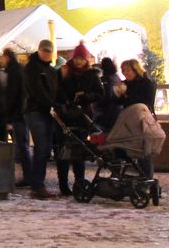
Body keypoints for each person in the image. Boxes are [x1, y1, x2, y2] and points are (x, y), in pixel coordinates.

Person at [56, 42, 103, 196]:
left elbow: (100, 94)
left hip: (83, 116)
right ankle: (63, 185)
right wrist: (65, 102)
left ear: (86, 60)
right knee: (63, 151)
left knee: (79, 151)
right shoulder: (64, 71)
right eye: (77, 58)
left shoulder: (91, 74)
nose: (78, 62)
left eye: (82, 59)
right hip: (65, 115)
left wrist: (86, 96)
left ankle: (79, 184)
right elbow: (57, 90)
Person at [23, 39, 59, 199]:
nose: (46, 53)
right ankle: (37, 185)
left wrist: (57, 105)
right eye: (44, 50)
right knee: (42, 147)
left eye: (48, 51)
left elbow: (55, 90)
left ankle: (38, 183)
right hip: (35, 111)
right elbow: (37, 91)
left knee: (45, 148)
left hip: (47, 112)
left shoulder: (50, 70)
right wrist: (52, 104)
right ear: (39, 51)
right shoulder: (32, 68)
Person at [117, 58, 156, 178]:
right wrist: (119, 94)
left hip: (142, 121)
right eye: (123, 70)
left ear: (136, 70)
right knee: (127, 150)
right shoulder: (125, 84)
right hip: (128, 121)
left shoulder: (147, 83)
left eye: (128, 70)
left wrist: (125, 94)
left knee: (143, 152)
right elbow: (120, 103)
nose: (125, 73)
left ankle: (147, 179)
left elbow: (145, 103)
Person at [1, 48, 31, 187]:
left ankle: (28, 176)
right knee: (23, 145)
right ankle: (28, 175)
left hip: (18, 113)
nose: (1, 60)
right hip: (23, 112)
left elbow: (12, 95)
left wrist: (9, 116)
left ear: (7, 57)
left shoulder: (13, 71)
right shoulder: (20, 69)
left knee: (22, 146)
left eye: (2, 57)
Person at [96, 56, 123, 130]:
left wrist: (98, 104)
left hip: (109, 110)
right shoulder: (116, 76)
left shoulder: (106, 78)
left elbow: (108, 95)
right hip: (118, 109)